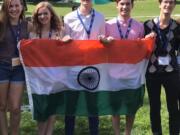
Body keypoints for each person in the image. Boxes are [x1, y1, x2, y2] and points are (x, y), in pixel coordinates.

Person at [63, 0, 105, 134]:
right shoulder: (69, 17)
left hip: (93, 67)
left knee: (92, 103)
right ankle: (69, 132)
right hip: (73, 67)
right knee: (71, 103)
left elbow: (102, 39)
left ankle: (94, 132)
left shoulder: (100, 17)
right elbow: (65, 40)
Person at [29, 2, 69, 135]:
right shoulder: (33, 32)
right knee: (42, 109)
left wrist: (66, 40)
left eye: (45, 13)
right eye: (39, 14)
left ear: (51, 14)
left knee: (52, 108)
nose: (43, 16)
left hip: (55, 76)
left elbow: (66, 49)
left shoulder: (60, 31)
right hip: (39, 77)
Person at [105, 0, 144, 135]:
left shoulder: (139, 26)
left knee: (130, 107)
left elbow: (143, 49)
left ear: (132, 6)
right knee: (115, 107)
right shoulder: (107, 25)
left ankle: (128, 132)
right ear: (117, 5)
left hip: (132, 74)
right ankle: (117, 133)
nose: (124, 7)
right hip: (113, 73)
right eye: (121, 4)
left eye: (128, 4)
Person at [144, 0, 180, 134]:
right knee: (154, 107)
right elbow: (140, 48)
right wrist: (146, 40)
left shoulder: (177, 26)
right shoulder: (147, 25)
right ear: (159, 4)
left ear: (174, 6)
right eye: (165, 2)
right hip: (152, 72)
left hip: (171, 72)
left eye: (171, 2)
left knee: (173, 107)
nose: (168, 5)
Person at [0, 0, 31, 134]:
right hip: (2, 68)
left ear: (22, 7)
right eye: (10, 6)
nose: (13, 9)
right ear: (5, 8)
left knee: (15, 107)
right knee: (1, 106)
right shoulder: (1, 24)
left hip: (19, 69)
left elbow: (43, 37)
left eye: (17, 6)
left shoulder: (28, 26)